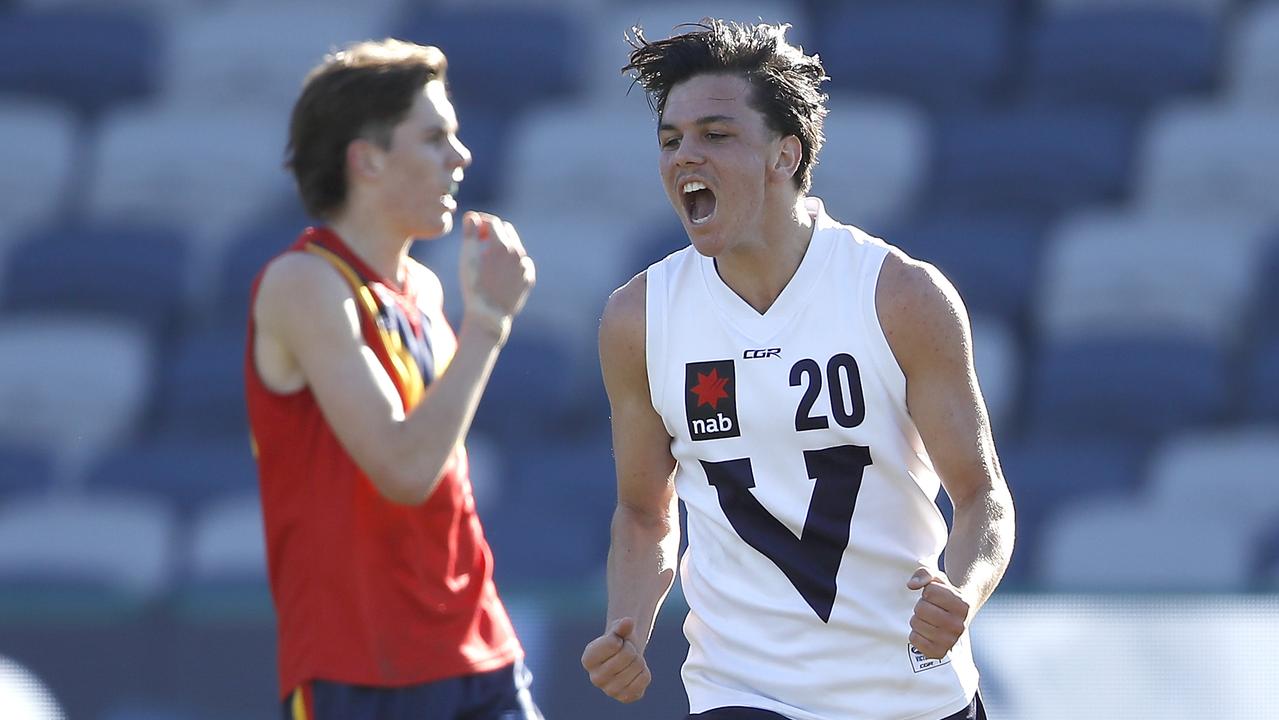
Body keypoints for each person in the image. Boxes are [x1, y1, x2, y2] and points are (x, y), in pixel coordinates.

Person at [581, 20, 1015, 720]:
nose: (684, 155)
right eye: (670, 139)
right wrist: (628, 620)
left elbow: (981, 496)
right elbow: (641, 512)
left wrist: (960, 591)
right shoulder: (638, 319)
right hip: (742, 693)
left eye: (715, 135)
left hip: (910, 693)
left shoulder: (900, 296)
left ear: (785, 154)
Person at [245, 39, 542, 720]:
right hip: (362, 672)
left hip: (479, 649)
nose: (460, 157)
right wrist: (488, 326)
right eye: (435, 137)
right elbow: (404, 470)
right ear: (367, 158)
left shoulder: (426, 290)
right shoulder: (303, 282)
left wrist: (479, 323)